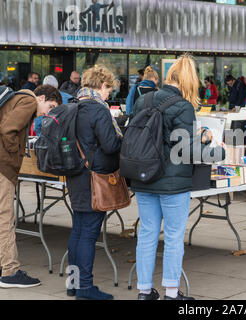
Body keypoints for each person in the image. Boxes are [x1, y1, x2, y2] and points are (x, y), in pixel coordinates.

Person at [130, 55, 225, 300]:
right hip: (173, 182)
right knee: (173, 236)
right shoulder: (183, 106)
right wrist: (217, 150)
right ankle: (171, 292)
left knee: (147, 233)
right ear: (188, 81)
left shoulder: (144, 100)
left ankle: (144, 291)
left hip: (143, 176)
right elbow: (184, 150)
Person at [65, 65, 123, 300]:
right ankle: (85, 289)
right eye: (108, 88)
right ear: (101, 85)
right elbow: (110, 145)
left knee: (78, 230)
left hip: (76, 174)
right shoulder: (98, 110)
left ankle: (73, 284)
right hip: (94, 178)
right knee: (88, 233)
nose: (109, 93)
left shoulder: (74, 106)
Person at [0, 85, 61, 288]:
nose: (48, 112)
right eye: (50, 106)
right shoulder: (28, 101)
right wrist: (13, 154)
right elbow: (8, 129)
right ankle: (10, 271)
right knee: (5, 219)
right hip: (3, 167)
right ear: (41, 97)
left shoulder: (17, 99)